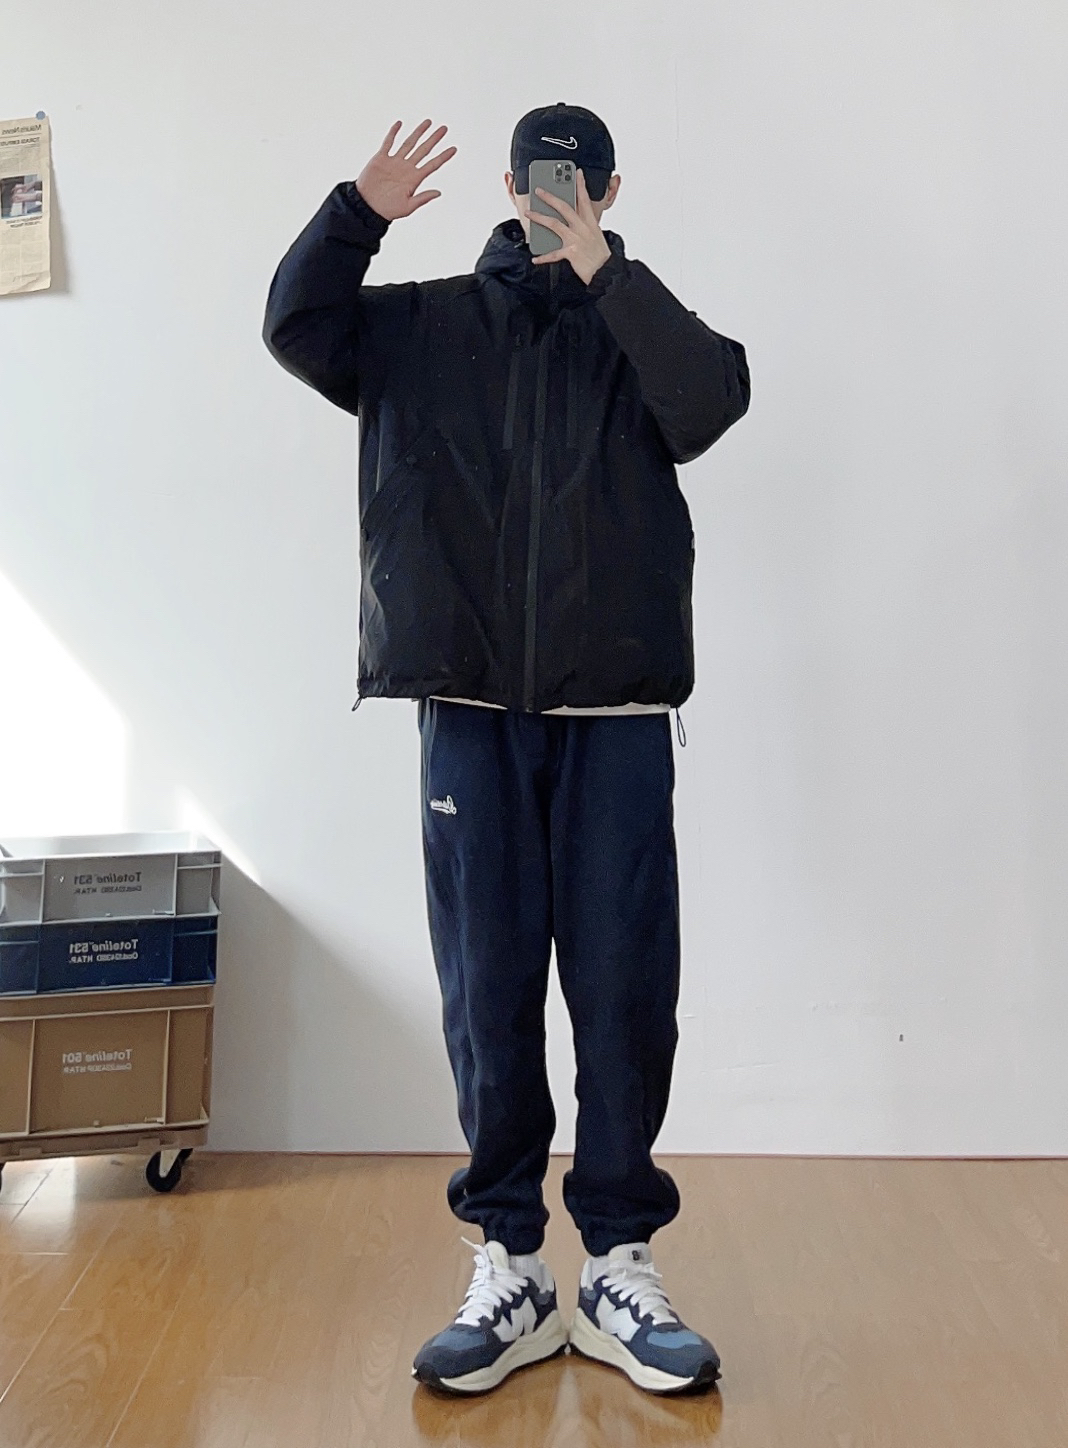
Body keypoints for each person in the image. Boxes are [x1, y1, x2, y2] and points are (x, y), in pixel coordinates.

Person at [264, 102, 750, 1397]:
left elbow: (712, 403)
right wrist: (356, 214)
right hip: (469, 710)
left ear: (609, 190)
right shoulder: (423, 327)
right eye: (544, 178)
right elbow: (297, 327)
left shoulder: (642, 328)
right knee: (487, 990)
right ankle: (512, 1265)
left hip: (616, 718)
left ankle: (620, 1262)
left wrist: (607, 276)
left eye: (581, 182)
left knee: (624, 987)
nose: (560, 195)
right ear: (507, 181)